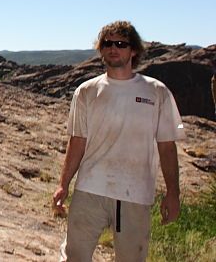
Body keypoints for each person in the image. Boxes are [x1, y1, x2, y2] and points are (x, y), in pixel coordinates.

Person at [52, 21, 185, 262]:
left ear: (134, 50)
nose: (114, 48)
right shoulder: (86, 91)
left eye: (121, 43)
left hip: (134, 193)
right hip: (90, 189)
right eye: (107, 43)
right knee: (74, 256)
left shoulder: (157, 92)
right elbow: (77, 140)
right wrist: (64, 184)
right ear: (101, 49)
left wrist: (173, 194)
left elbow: (167, 146)